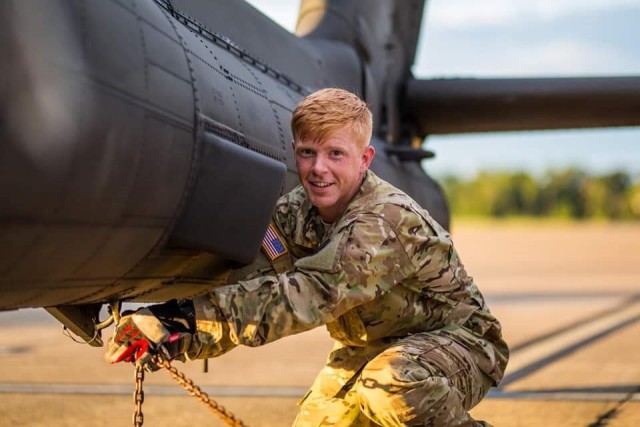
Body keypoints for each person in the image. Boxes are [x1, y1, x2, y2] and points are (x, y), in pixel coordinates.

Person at [105, 88, 509, 426]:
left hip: (461, 344)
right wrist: (176, 337)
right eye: (307, 153)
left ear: (364, 159)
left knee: (390, 387)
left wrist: (184, 318)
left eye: (336, 154)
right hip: (369, 349)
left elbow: (306, 296)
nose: (318, 169)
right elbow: (252, 287)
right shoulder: (293, 213)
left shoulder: (383, 220)